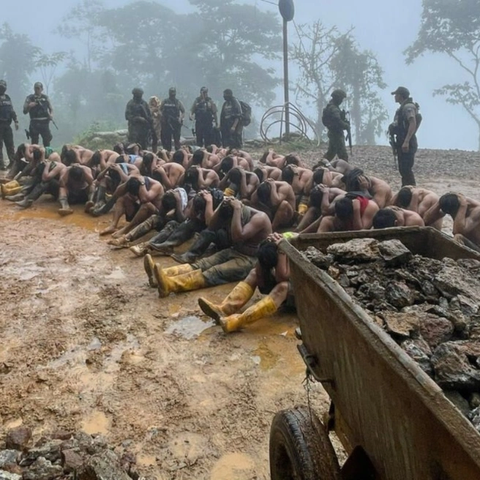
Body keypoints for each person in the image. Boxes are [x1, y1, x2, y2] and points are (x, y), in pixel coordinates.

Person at [148, 197, 272, 297]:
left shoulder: (259, 218)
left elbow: (237, 236)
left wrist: (238, 210)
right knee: (202, 264)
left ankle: (171, 285)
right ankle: (159, 275)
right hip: (234, 251)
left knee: (214, 272)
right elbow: (211, 225)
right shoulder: (232, 211)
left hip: (251, 259)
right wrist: (221, 204)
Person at [198, 233, 291, 333]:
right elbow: (258, 271)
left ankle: (239, 321)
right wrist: (266, 245)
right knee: (254, 273)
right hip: (282, 273)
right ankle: (225, 309)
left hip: (299, 294)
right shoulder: (279, 238)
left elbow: (281, 277)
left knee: (283, 287)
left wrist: (282, 249)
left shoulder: (293, 245)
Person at [389, 86, 420, 186]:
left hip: (407, 142)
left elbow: (412, 123)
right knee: (403, 169)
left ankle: (411, 190)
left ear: (400, 96)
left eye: (396, 95)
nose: (395, 97)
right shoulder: (403, 107)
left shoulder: (408, 107)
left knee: (406, 169)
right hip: (401, 141)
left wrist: (406, 141)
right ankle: (406, 189)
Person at [322, 89, 350, 162]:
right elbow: (337, 121)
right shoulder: (334, 108)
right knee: (343, 156)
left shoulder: (331, 107)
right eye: (341, 99)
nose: (341, 101)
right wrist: (345, 125)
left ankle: (320, 166)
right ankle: (344, 170)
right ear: (337, 98)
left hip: (333, 133)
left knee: (331, 153)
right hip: (336, 134)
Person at [23, 82, 54, 147]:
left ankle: (47, 155)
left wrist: (51, 115)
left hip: (44, 123)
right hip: (34, 123)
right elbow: (24, 111)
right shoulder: (30, 98)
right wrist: (29, 106)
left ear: (42, 89)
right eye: (35, 88)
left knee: (47, 141)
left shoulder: (45, 97)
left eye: (38, 88)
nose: (36, 90)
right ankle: (35, 156)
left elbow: (51, 108)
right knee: (34, 142)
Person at [0, 80, 19, 170]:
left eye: (3, 86)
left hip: (7, 125)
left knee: (10, 145)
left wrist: (16, 121)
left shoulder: (7, 98)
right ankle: (1, 165)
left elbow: (11, 111)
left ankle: (12, 163)